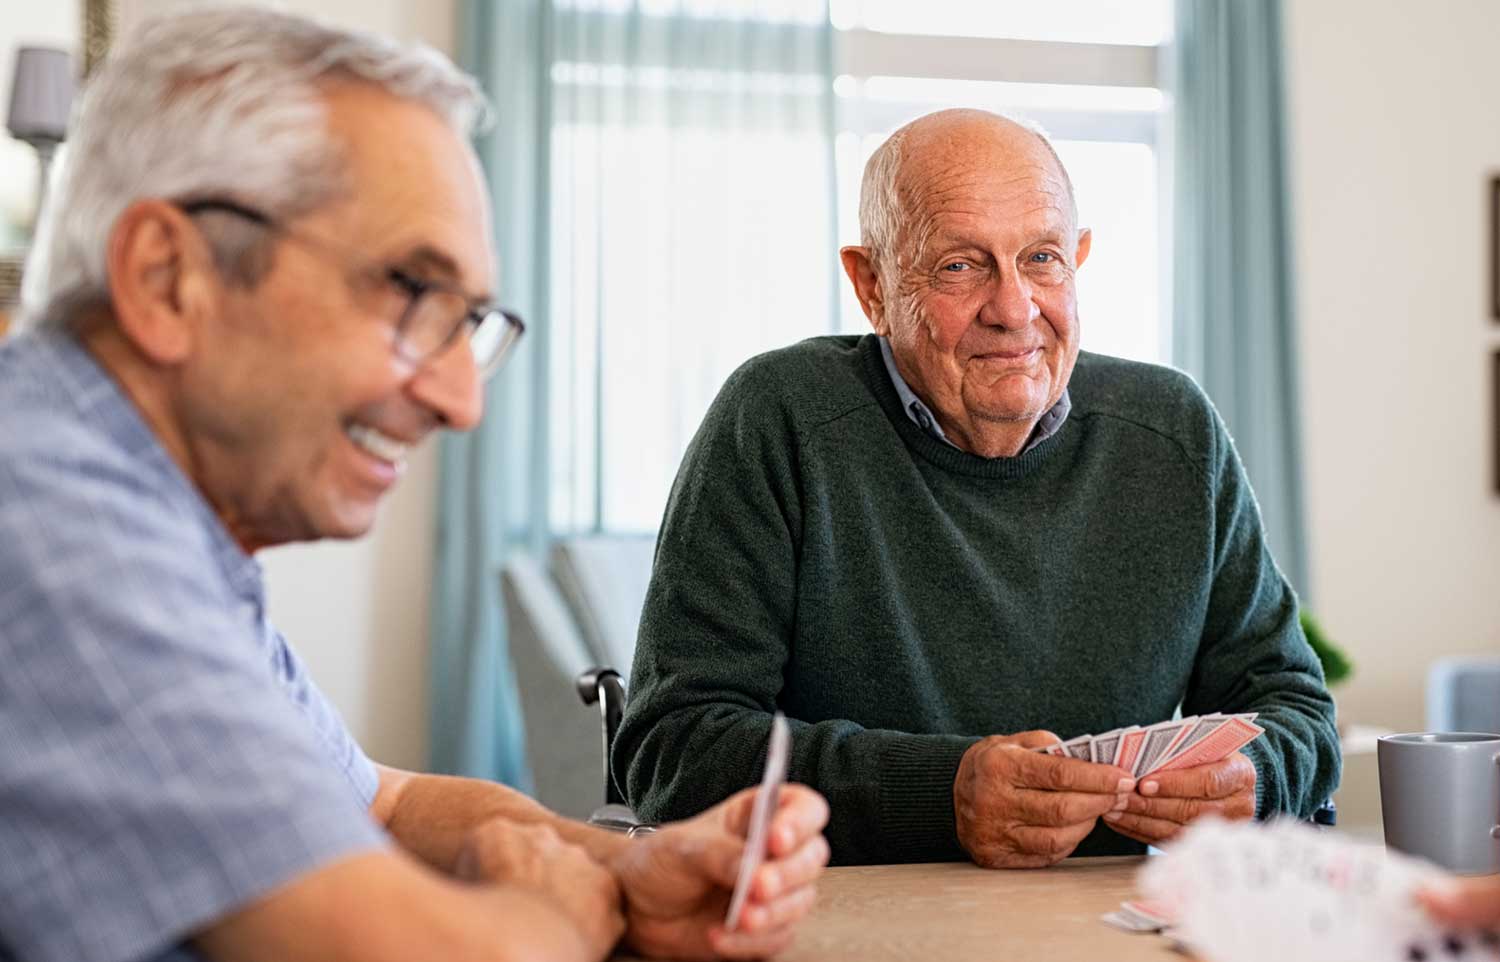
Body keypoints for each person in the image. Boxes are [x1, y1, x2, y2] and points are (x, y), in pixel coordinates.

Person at [0, 9, 828, 962]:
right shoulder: (51, 522)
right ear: (166, 276)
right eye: (411, 294)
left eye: (469, 321)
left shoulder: (150, 520)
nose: (461, 400)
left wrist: (620, 869)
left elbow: (384, 801)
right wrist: (551, 912)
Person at [613, 108, 1341, 868]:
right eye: (961, 265)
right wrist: (941, 794)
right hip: (859, 925)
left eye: (1042, 258)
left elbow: (1297, 709)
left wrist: (1255, 779)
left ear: (1078, 260)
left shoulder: (1173, 430)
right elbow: (672, 750)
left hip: (1114, 924)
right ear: (873, 285)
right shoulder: (779, 418)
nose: (1014, 310)